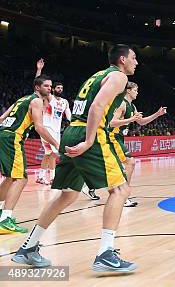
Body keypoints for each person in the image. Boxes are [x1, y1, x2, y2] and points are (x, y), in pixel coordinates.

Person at [13, 44, 138, 272]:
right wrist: (90, 140)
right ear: (122, 59)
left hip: (71, 130)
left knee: (67, 195)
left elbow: (92, 106)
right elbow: (97, 107)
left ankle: (29, 247)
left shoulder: (98, 75)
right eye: (134, 58)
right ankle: (106, 253)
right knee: (120, 190)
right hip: (89, 133)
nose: (136, 62)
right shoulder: (118, 76)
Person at [0, 75, 60, 233]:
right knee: (21, 178)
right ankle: (5, 219)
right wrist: (55, 143)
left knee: (10, 177)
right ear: (37, 87)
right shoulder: (37, 101)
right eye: (46, 86)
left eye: (50, 86)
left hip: (5, 135)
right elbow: (39, 127)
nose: (49, 88)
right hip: (12, 138)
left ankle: (1, 211)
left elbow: (2, 118)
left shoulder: (23, 99)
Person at [109, 82, 167, 207]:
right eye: (135, 90)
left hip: (119, 137)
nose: (137, 92)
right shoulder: (121, 103)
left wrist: (157, 114)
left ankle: (89, 186)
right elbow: (112, 122)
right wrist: (131, 119)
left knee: (113, 167)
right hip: (111, 137)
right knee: (130, 162)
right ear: (128, 91)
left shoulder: (132, 106)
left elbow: (141, 122)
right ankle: (123, 196)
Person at [35, 59, 71, 186]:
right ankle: (53, 177)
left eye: (61, 88)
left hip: (56, 130)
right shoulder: (49, 99)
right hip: (46, 128)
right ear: (53, 89)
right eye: (57, 87)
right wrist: (39, 70)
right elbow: (38, 86)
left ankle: (41, 176)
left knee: (48, 153)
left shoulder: (65, 102)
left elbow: (69, 116)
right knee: (54, 153)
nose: (60, 89)